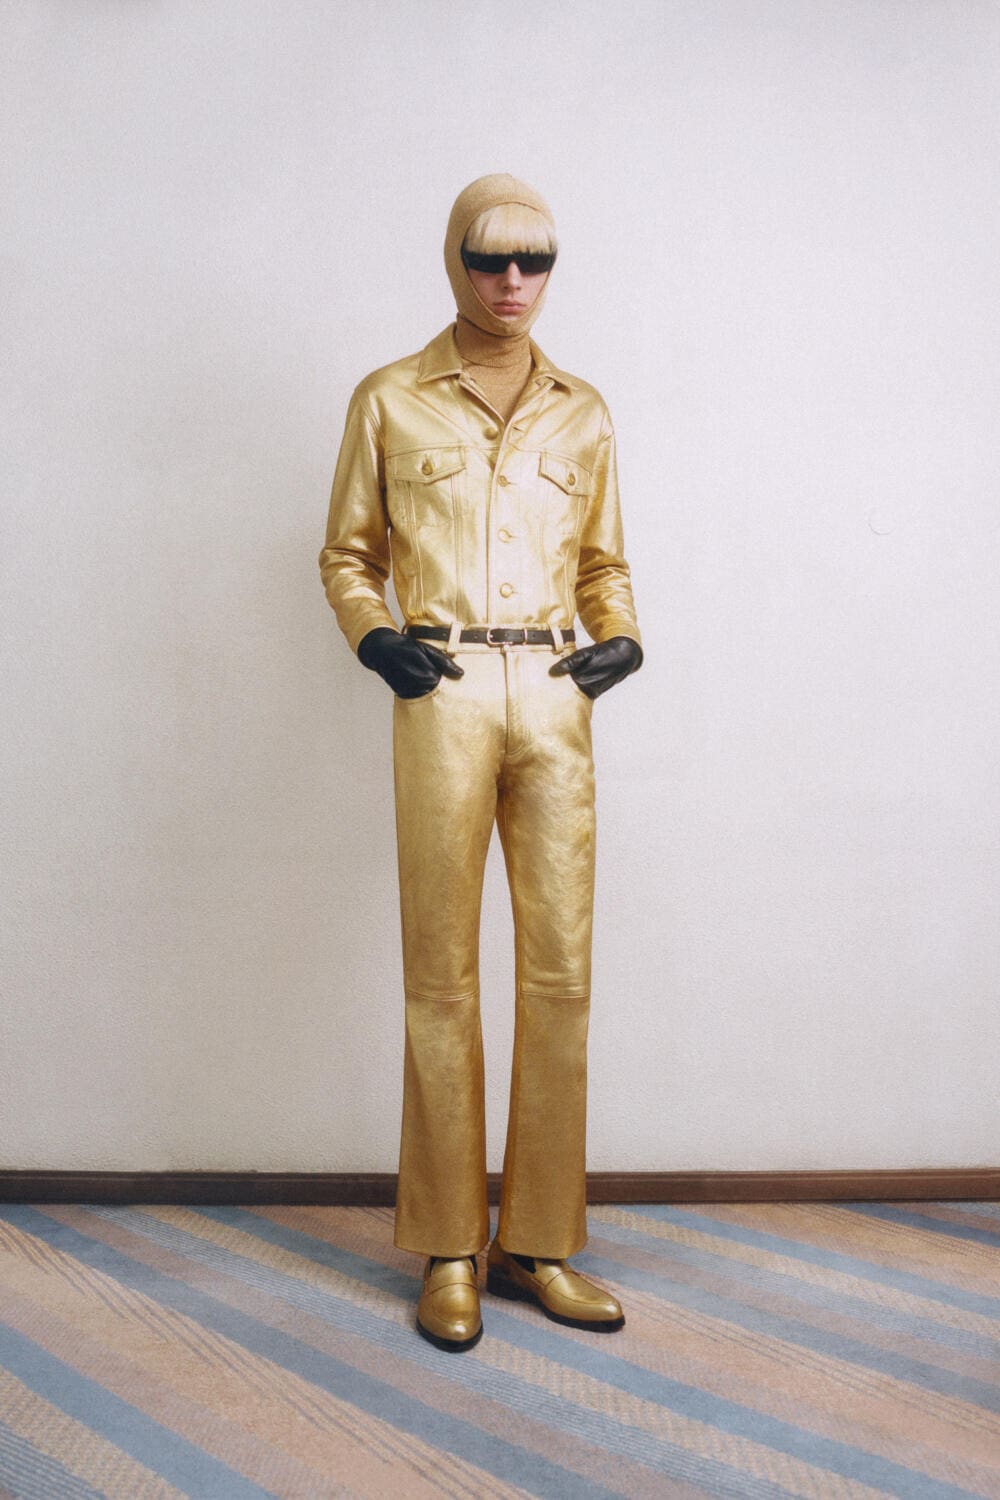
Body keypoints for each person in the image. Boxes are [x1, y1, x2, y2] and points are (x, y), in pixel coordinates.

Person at [319, 173, 643, 1351]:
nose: (513, 281)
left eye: (534, 260)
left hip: (555, 699)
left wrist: (621, 639)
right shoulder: (389, 399)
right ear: (452, 261)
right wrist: (376, 640)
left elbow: (602, 562)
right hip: (444, 692)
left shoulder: (583, 410)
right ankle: (450, 1246)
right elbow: (347, 554)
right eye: (489, 258)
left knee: (560, 975)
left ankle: (538, 1242)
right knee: (439, 976)